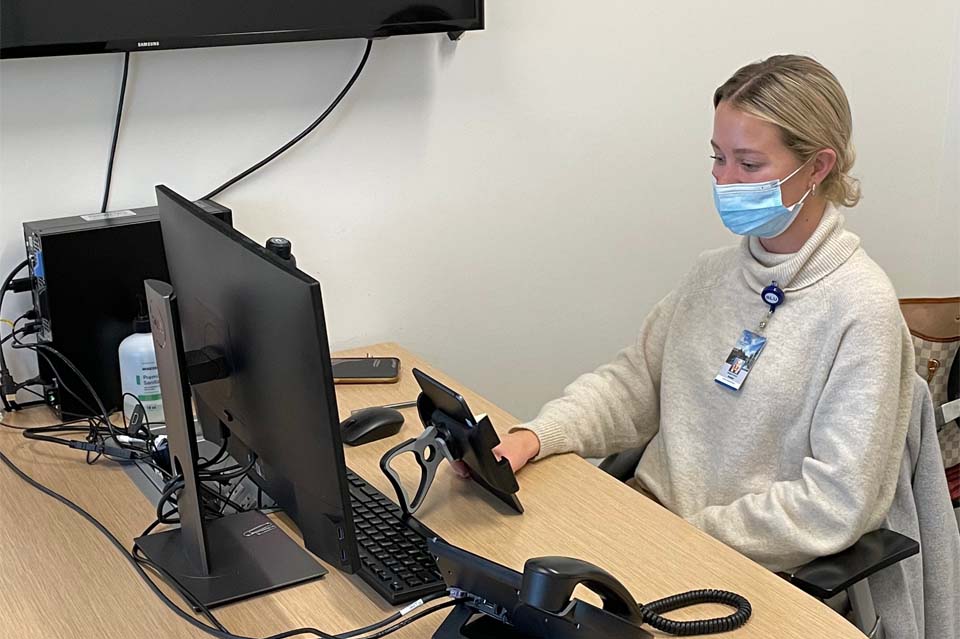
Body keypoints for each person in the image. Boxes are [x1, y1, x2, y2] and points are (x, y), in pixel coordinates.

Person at [487, 54, 916, 574]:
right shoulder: (711, 275)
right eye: (718, 157)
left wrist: (684, 538)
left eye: (749, 164)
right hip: (643, 524)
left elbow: (834, 502)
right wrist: (536, 436)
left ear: (819, 167)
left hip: (735, 563)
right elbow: (632, 388)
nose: (726, 180)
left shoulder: (860, 309)